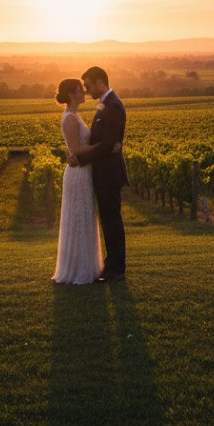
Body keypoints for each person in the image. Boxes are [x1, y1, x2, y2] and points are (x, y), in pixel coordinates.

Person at [70, 66, 128, 283]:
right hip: (103, 172)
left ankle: (117, 270)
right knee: (108, 220)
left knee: (112, 221)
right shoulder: (106, 104)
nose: (86, 90)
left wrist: (81, 158)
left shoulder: (113, 105)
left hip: (109, 173)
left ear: (99, 82)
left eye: (88, 85)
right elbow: (104, 143)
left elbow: (107, 144)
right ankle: (111, 266)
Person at [51, 78, 104, 284]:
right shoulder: (70, 118)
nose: (84, 92)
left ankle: (85, 267)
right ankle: (77, 269)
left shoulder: (73, 116)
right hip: (79, 173)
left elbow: (70, 149)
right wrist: (101, 146)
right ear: (72, 95)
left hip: (82, 170)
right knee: (79, 217)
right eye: (80, 90)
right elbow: (75, 150)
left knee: (84, 216)